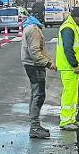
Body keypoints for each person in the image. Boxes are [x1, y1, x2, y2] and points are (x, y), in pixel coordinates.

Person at [21, 10, 56, 139]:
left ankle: (35, 125)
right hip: (34, 66)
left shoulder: (30, 27)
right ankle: (35, 126)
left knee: (36, 93)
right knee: (38, 95)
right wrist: (48, 63)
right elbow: (35, 51)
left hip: (32, 64)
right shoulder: (34, 29)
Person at [56, 6, 79, 131]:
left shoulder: (73, 26)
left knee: (73, 94)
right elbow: (68, 49)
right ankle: (65, 120)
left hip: (72, 68)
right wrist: (75, 65)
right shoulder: (68, 28)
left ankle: (71, 118)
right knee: (69, 94)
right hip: (69, 68)